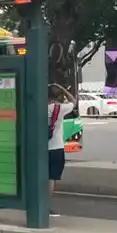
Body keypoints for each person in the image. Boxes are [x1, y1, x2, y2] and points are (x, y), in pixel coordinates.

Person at [48, 84, 75, 217]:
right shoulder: (61, 108)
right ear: (59, 96)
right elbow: (73, 101)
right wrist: (63, 89)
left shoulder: (39, 107)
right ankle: (46, 205)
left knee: (40, 177)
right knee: (51, 178)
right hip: (56, 147)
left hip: (41, 148)